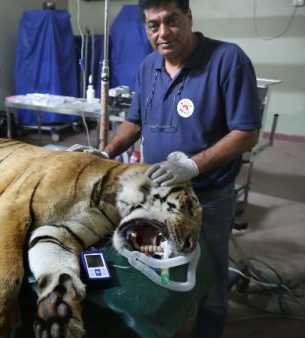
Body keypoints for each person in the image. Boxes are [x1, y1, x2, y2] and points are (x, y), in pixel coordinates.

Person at [102, 1, 260, 337]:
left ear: (189, 18)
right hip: (157, 192)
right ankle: (165, 322)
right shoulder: (149, 66)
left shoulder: (227, 60)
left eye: (171, 21)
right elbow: (134, 121)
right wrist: (106, 151)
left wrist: (193, 165)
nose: (162, 33)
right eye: (153, 25)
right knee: (160, 256)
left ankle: (208, 330)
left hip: (209, 193)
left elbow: (245, 133)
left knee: (212, 271)